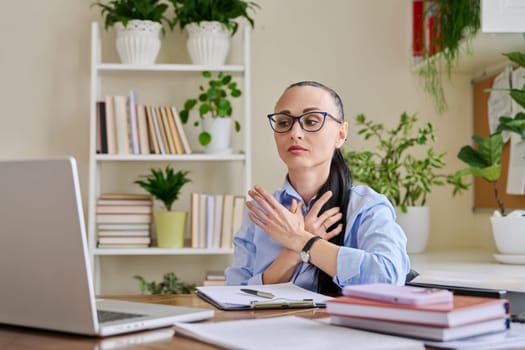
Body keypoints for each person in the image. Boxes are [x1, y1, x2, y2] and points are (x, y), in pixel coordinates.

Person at [224, 81, 410, 294]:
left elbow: (388, 278)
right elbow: (232, 295)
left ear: (341, 134)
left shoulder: (366, 206)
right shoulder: (260, 213)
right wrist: (292, 254)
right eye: (284, 122)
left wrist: (302, 240)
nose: (295, 132)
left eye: (311, 121)